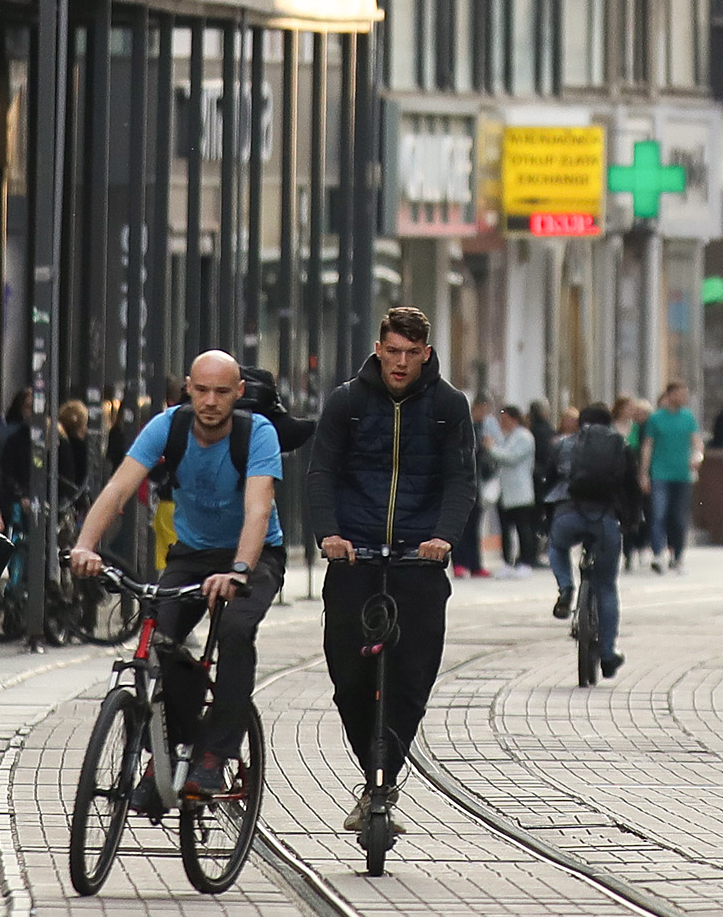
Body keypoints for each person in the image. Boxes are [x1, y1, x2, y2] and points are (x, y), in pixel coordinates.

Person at [69, 351, 286, 796]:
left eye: (222, 392)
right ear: (188, 388)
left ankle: (214, 751)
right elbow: (118, 488)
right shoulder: (169, 427)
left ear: (239, 394)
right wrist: (84, 545)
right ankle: (171, 748)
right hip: (192, 554)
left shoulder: (257, 433)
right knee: (158, 637)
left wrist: (240, 571)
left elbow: (258, 510)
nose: (210, 401)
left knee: (235, 630)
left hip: (254, 555)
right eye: (201, 390)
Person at [300, 307, 469, 825]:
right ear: (378, 349)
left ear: (426, 354)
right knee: (348, 672)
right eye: (392, 352)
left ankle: (383, 780)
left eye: (411, 354)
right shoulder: (347, 402)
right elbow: (321, 471)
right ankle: (373, 765)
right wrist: (327, 534)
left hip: (420, 562)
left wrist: (443, 537)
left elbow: (461, 480)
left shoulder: (448, 406)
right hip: (355, 557)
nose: (400, 363)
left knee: (412, 676)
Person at [544, 401, 632, 678]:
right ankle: (607, 654)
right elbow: (631, 488)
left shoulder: (563, 445)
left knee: (556, 547)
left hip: (567, 516)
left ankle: (566, 588)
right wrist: (632, 521)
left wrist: (544, 519)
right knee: (606, 586)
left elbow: (546, 480)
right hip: (604, 521)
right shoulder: (620, 446)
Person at [641, 382, 700, 570]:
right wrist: (644, 473)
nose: (684, 398)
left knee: (678, 516)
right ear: (670, 395)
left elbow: (697, 443)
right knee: (659, 514)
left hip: (682, 474)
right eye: (681, 394)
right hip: (660, 473)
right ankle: (658, 553)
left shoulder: (688, 418)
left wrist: (697, 456)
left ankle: (677, 554)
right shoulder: (656, 418)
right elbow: (648, 446)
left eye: (685, 394)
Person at [478, 398, 536, 573]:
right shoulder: (507, 437)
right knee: (505, 528)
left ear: (514, 419)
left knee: (522, 528)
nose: (502, 423)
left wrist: (491, 448)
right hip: (505, 491)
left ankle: (525, 561)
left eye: (504, 418)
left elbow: (510, 457)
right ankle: (507, 562)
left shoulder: (523, 436)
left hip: (520, 492)